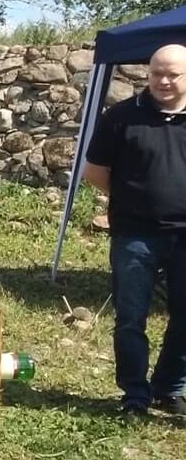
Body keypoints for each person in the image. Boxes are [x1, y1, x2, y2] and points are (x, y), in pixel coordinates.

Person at [81, 43, 186, 416]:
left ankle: (169, 388)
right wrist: (134, 198)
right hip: (135, 234)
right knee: (130, 318)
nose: (163, 81)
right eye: (156, 72)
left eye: (172, 74)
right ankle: (135, 396)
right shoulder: (122, 116)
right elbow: (95, 171)